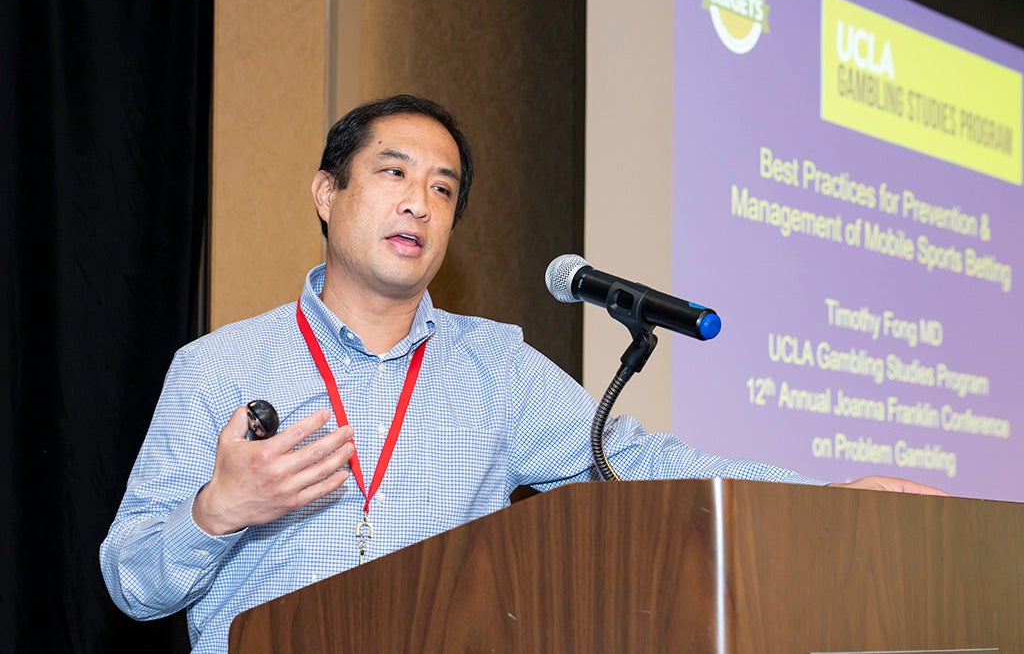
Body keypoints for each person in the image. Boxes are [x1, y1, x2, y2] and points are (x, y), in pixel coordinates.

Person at [100, 94, 943, 653]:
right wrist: (218, 511)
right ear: (327, 191)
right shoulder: (217, 366)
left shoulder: (492, 364)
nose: (419, 203)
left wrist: (821, 499)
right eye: (393, 173)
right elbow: (131, 583)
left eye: (443, 188)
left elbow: (634, 461)